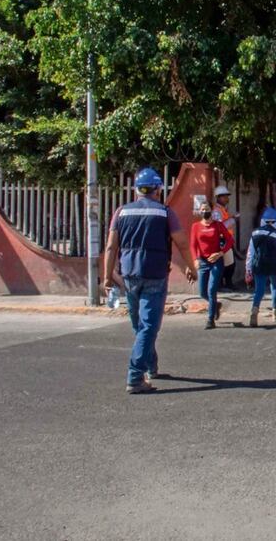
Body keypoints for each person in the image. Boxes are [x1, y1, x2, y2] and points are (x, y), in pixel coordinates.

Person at [103, 167, 197, 394]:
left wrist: (107, 276)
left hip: (129, 276)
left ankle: (151, 366)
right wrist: (191, 267)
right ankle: (135, 377)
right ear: (157, 189)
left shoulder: (121, 212)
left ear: (137, 190)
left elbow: (111, 246)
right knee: (148, 326)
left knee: (140, 325)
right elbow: (182, 243)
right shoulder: (165, 213)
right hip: (155, 275)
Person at [190, 201, 234, 329]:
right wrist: (195, 260)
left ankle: (210, 320)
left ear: (211, 211)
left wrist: (220, 253)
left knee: (211, 290)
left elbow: (230, 240)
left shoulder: (218, 225)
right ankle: (215, 305)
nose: (204, 211)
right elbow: (193, 245)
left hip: (216, 260)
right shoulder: (195, 226)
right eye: (202, 209)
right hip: (203, 261)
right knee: (202, 292)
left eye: (207, 209)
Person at [245, 207, 276, 327]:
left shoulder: (255, 233)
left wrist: (248, 269)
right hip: (274, 265)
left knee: (259, 290)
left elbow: (250, 253)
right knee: (275, 287)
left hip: (258, 265)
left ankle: (254, 310)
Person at [212, 185, 238, 289]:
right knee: (229, 263)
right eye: (225, 196)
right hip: (222, 240)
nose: (227, 199)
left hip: (227, 240)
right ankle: (225, 283)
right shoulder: (217, 211)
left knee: (229, 263)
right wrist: (233, 220)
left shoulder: (222, 210)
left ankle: (225, 283)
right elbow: (220, 226)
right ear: (218, 197)